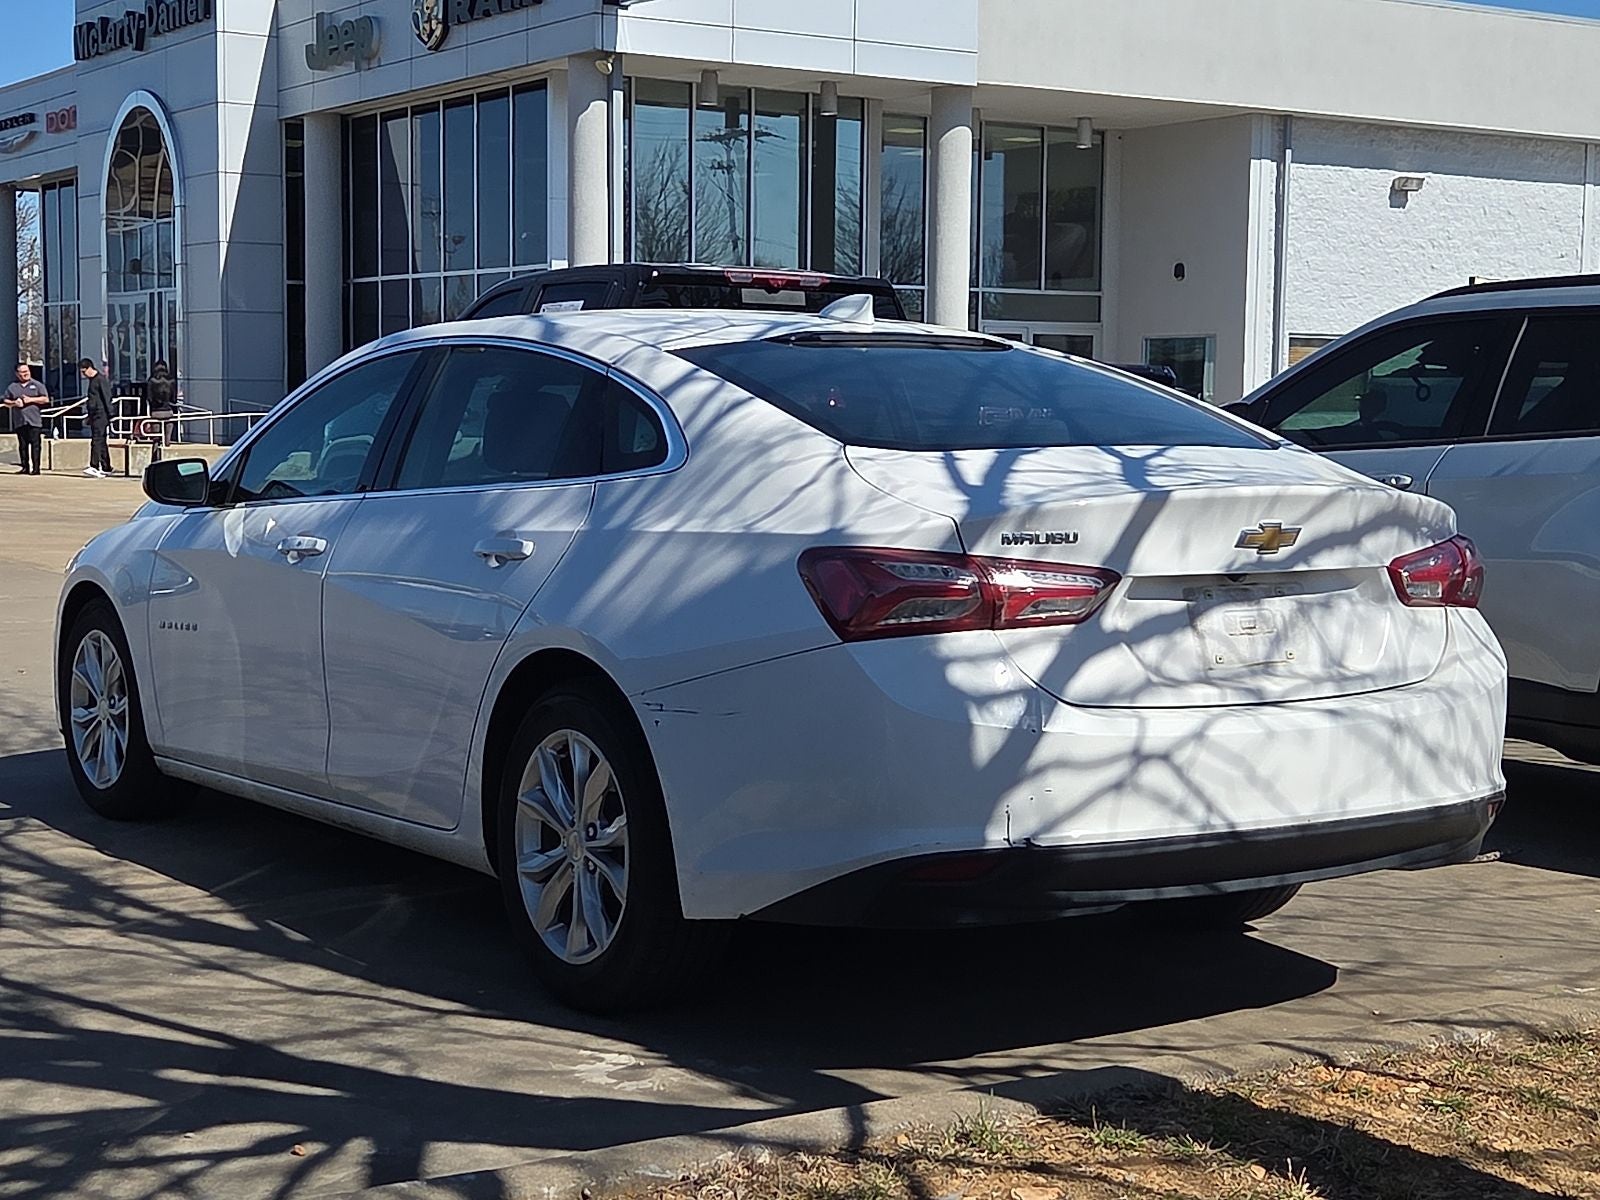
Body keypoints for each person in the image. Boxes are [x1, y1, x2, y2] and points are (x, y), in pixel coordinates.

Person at [3, 363, 49, 476]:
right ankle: (25, 467)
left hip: (34, 421)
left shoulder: (37, 385)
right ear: (17, 374)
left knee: (35, 445)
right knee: (22, 445)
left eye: (27, 371)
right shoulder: (12, 387)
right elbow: (5, 400)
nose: (26, 374)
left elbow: (45, 399)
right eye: (22, 372)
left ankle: (36, 468)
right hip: (20, 420)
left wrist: (31, 400)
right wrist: (14, 402)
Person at [80, 358, 115, 478]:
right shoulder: (92, 381)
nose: (83, 374)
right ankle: (106, 466)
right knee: (101, 441)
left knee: (96, 440)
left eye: (84, 371)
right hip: (94, 414)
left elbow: (106, 396)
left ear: (90, 368)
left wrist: (110, 413)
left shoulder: (100, 379)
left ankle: (94, 465)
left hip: (101, 414)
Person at [144, 360, 177, 446]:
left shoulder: (151, 381)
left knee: (155, 439)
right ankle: (166, 450)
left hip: (156, 412)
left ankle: (155, 456)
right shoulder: (172, 381)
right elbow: (173, 399)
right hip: (168, 412)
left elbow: (149, 398)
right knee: (167, 440)